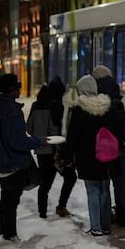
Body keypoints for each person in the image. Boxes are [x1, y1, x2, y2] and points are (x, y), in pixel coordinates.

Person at [0, 73, 46, 242]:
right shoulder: (12, 112)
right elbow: (18, 141)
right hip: (13, 163)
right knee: (11, 201)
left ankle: (3, 231)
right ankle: (9, 235)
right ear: (11, 90)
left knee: (6, 198)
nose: (19, 89)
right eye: (18, 86)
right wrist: (39, 142)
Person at [62, 75, 122, 236]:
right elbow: (115, 131)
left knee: (93, 191)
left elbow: (72, 137)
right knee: (104, 189)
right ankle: (106, 225)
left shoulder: (80, 110)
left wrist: (67, 159)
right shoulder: (107, 107)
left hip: (87, 157)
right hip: (106, 155)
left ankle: (96, 227)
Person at [95, 72, 125, 227]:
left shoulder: (97, 105)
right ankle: (122, 215)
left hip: (102, 150)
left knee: (104, 184)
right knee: (120, 184)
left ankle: (105, 216)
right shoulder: (117, 105)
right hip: (117, 150)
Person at [26, 84, 62, 219]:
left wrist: (37, 136)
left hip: (40, 150)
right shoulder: (52, 108)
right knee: (50, 181)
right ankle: (50, 210)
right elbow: (54, 130)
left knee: (44, 183)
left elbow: (28, 129)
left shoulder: (35, 107)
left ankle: (42, 212)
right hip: (52, 150)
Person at [48, 75, 78, 217]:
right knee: (70, 177)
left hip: (51, 148)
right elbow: (55, 129)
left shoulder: (50, 104)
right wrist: (60, 150)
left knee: (65, 177)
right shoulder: (56, 106)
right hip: (56, 148)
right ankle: (60, 207)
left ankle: (51, 209)